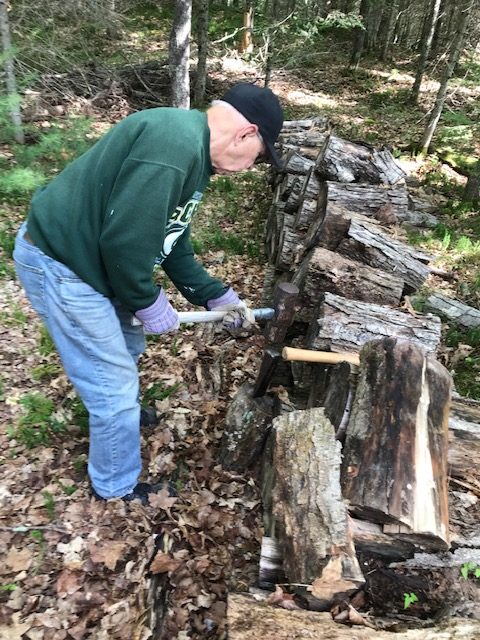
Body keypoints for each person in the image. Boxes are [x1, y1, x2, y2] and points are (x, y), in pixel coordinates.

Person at [13, 83, 284, 504]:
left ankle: (117, 422)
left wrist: (214, 295)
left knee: (128, 346)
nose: (252, 165)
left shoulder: (192, 154)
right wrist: (145, 300)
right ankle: (116, 485)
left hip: (92, 264)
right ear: (246, 133)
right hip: (63, 263)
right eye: (260, 156)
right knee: (113, 384)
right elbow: (124, 243)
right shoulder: (172, 144)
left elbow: (171, 237)